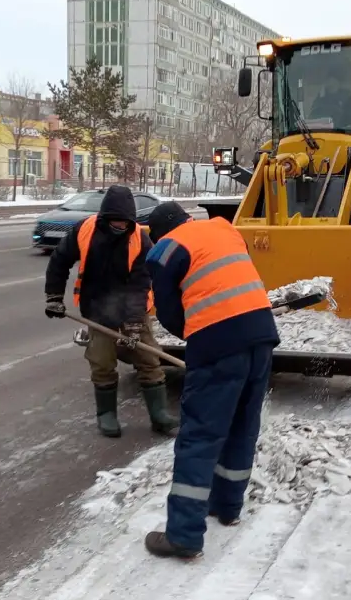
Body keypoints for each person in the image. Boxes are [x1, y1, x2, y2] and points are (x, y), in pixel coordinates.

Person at [142, 202, 280, 559]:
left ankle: (184, 536)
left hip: (218, 343)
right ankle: (228, 507)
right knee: (242, 426)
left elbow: (171, 314)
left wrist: (197, 334)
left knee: (200, 436)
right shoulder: (223, 228)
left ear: (160, 232)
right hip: (262, 333)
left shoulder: (164, 249)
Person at [44, 185, 178, 438]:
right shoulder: (85, 230)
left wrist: (135, 325)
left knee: (148, 360)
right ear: (105, 218)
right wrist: (53, 296)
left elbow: (143, 282)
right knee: (102, 361)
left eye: (124, 223)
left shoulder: (140, 238)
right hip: (97, 307)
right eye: (115, 223)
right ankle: (106, 415)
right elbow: (59, 260)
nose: (120, 228)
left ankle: (159, 416)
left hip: (134, 307)